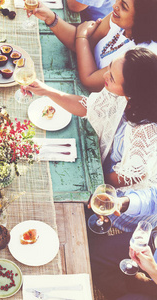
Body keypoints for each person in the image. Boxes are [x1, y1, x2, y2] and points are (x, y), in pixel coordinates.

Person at [25, 47, 157, 233]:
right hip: (103, 169)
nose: (106, 75)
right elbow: (89, 107)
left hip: (124, 202)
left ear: (132, 90)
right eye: (109, 67)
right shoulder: (120, 93)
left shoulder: (148, 129)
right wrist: (47, 91)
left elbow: (131, 176)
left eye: (112, 77)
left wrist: (95, 187)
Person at [28, 0, 157, 92]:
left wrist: (82, 36)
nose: (114, 5)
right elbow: (80, 45)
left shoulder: (141, 56)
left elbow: (89, 81)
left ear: (142, 18)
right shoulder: (118, 20)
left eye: (123, 6)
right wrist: (50, 17)